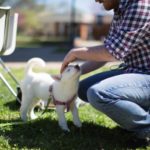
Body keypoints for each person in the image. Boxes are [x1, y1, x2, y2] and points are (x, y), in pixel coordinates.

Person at [61, 0, 150, 139]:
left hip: (146, 75)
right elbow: (105, 55)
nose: (95, 0)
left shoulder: (140, 4)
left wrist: (75, 53)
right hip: (136, 71)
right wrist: (75, 72)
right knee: (82, 88)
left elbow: (112, 52)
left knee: (99, 94)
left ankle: (146, 126)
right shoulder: (120, 10)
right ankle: (142, 113)